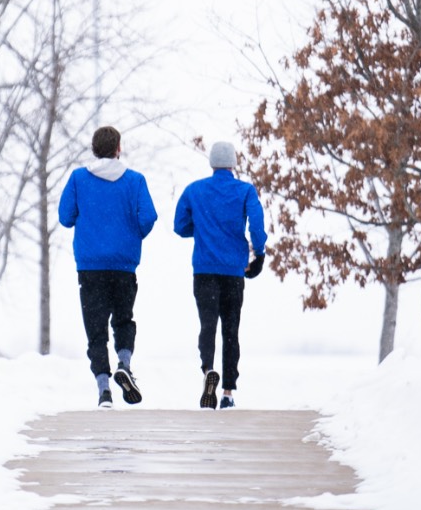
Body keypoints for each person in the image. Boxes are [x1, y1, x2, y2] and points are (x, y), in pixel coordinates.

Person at [57, 125, 158, 408]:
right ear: (118, 149)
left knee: (95, 328)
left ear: (94, 149)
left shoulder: (79, 179)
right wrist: (131, 234)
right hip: (124, 265)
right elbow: (148, 217)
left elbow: (65, 217)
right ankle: (124, 364)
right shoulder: (135, 181)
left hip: (90, 266)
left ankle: (104, 390)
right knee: (124, 319)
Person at [172, 140, 268, 409]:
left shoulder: (195, 190)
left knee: (207, 326)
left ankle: (207, 372)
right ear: (234, 164)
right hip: (232, 271)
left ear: (211, 163)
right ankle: (227, 392)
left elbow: (179, 226)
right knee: (230, 330)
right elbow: (257, 227)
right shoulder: (245, 191)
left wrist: (202, 230)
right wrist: (258, 253)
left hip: (204, 269)